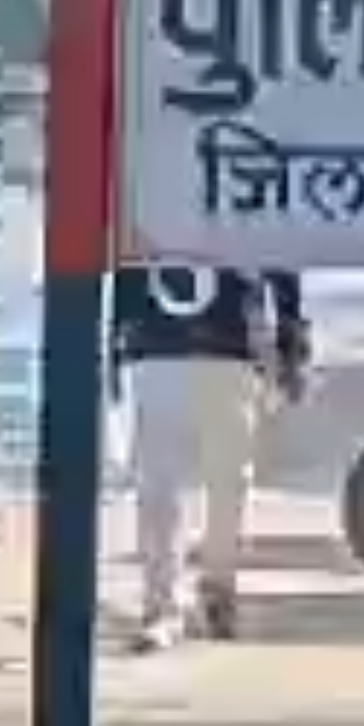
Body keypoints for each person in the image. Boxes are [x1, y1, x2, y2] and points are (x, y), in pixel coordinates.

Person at [109, 262, 308, 647]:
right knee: (158, 487)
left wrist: (291, 344)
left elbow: (282, 252)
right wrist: (111, 348)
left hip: (230, 343)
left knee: (228, 482)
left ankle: (216, 588)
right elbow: (116, 252)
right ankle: (162, 606)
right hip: (154, 341)